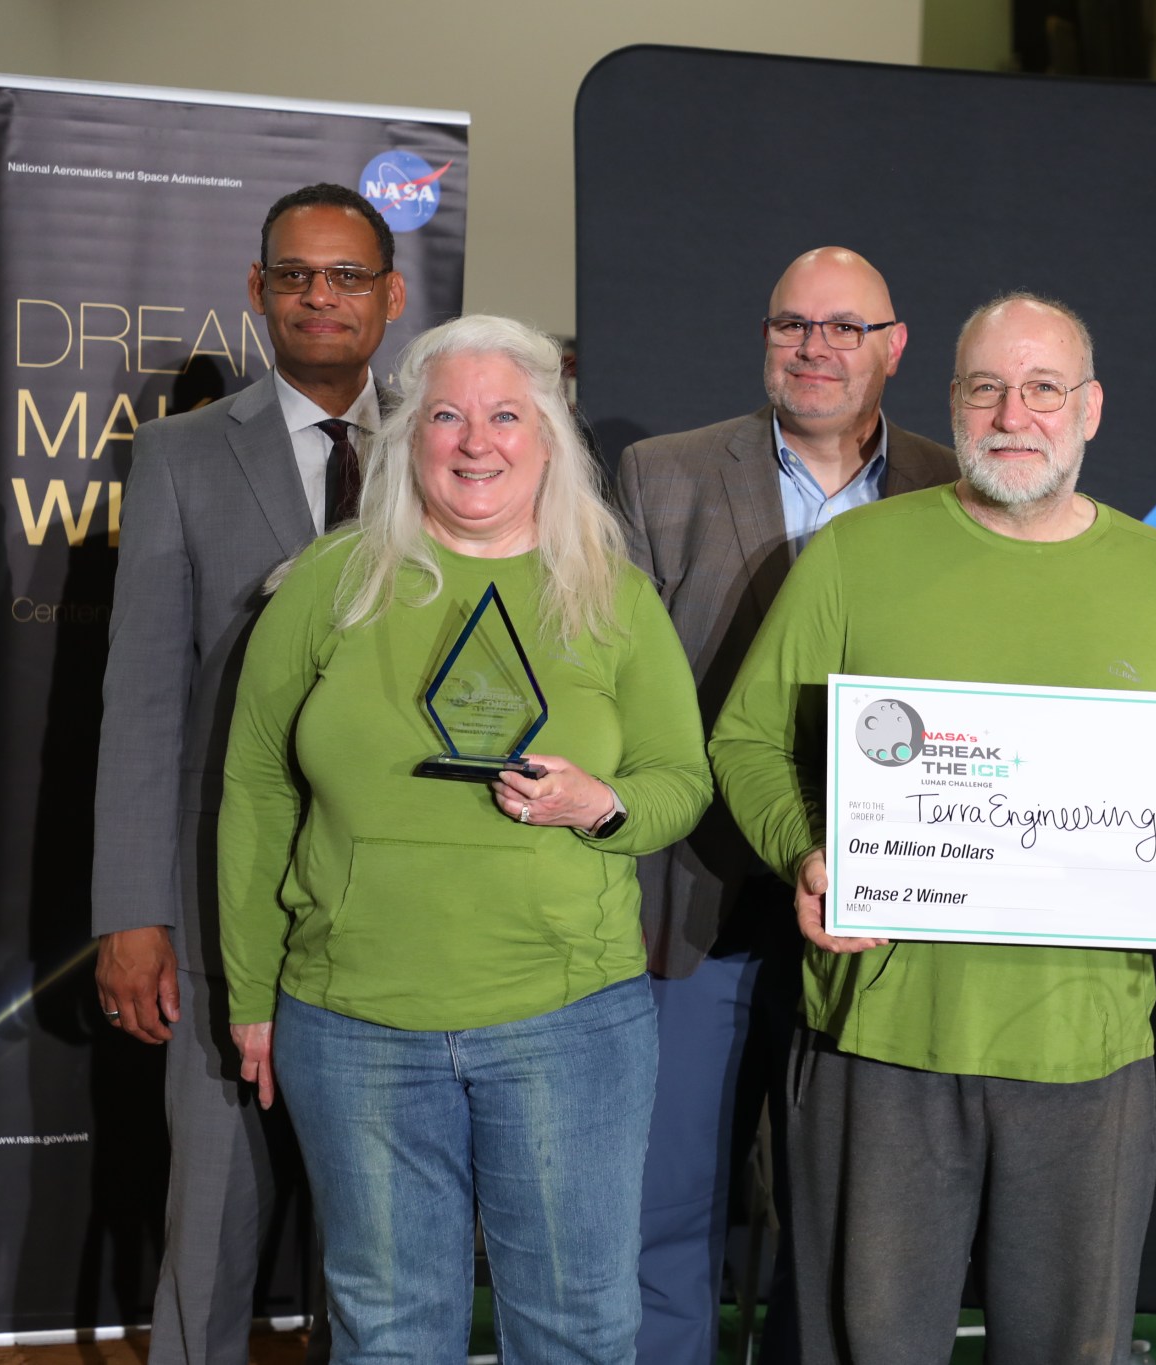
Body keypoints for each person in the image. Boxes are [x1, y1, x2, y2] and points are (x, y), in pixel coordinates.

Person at [708, 292, 1156, 1363]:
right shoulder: (855, 555)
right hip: (883, 1032)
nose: (1012, 412)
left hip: (1083, 1046)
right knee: (863, 1346)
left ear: (1089, 409)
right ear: (951, 402)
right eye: (985, 388)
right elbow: (747, 744)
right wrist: (806, 852)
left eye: (1042, 388)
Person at [215, 314, 713, 1362]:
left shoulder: (608, 596)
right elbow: (257, 789)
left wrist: (601, 805)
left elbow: (680, 783)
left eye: (503, 415)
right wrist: (254, 993)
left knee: (575, 1328)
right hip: (349, 1026)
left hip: (565, 1027)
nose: (473, 441)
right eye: (445, 415)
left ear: (547, 441)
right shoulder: (329, 584)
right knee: (387, 1329)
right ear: (407, 440)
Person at [614, 246, 955, 1363]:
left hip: (873, 909)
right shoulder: (660, 475)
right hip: (692, 900)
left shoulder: (951, 488)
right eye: (791, 326)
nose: (815, 347)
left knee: (844, 1222)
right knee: (664, 1211)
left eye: (844, 327)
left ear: (892, 347)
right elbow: (609, 680)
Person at [91, 181, 405, 1365]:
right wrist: (132, 910)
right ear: (259, 291)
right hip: (220, 883)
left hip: (390, 894)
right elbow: (140, 695)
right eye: (294, 274)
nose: (319, 295)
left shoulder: (445, 451)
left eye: (344, 275)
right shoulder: (179, 455)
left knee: (380, 1229)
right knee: (214, 1217)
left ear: (390, 295)